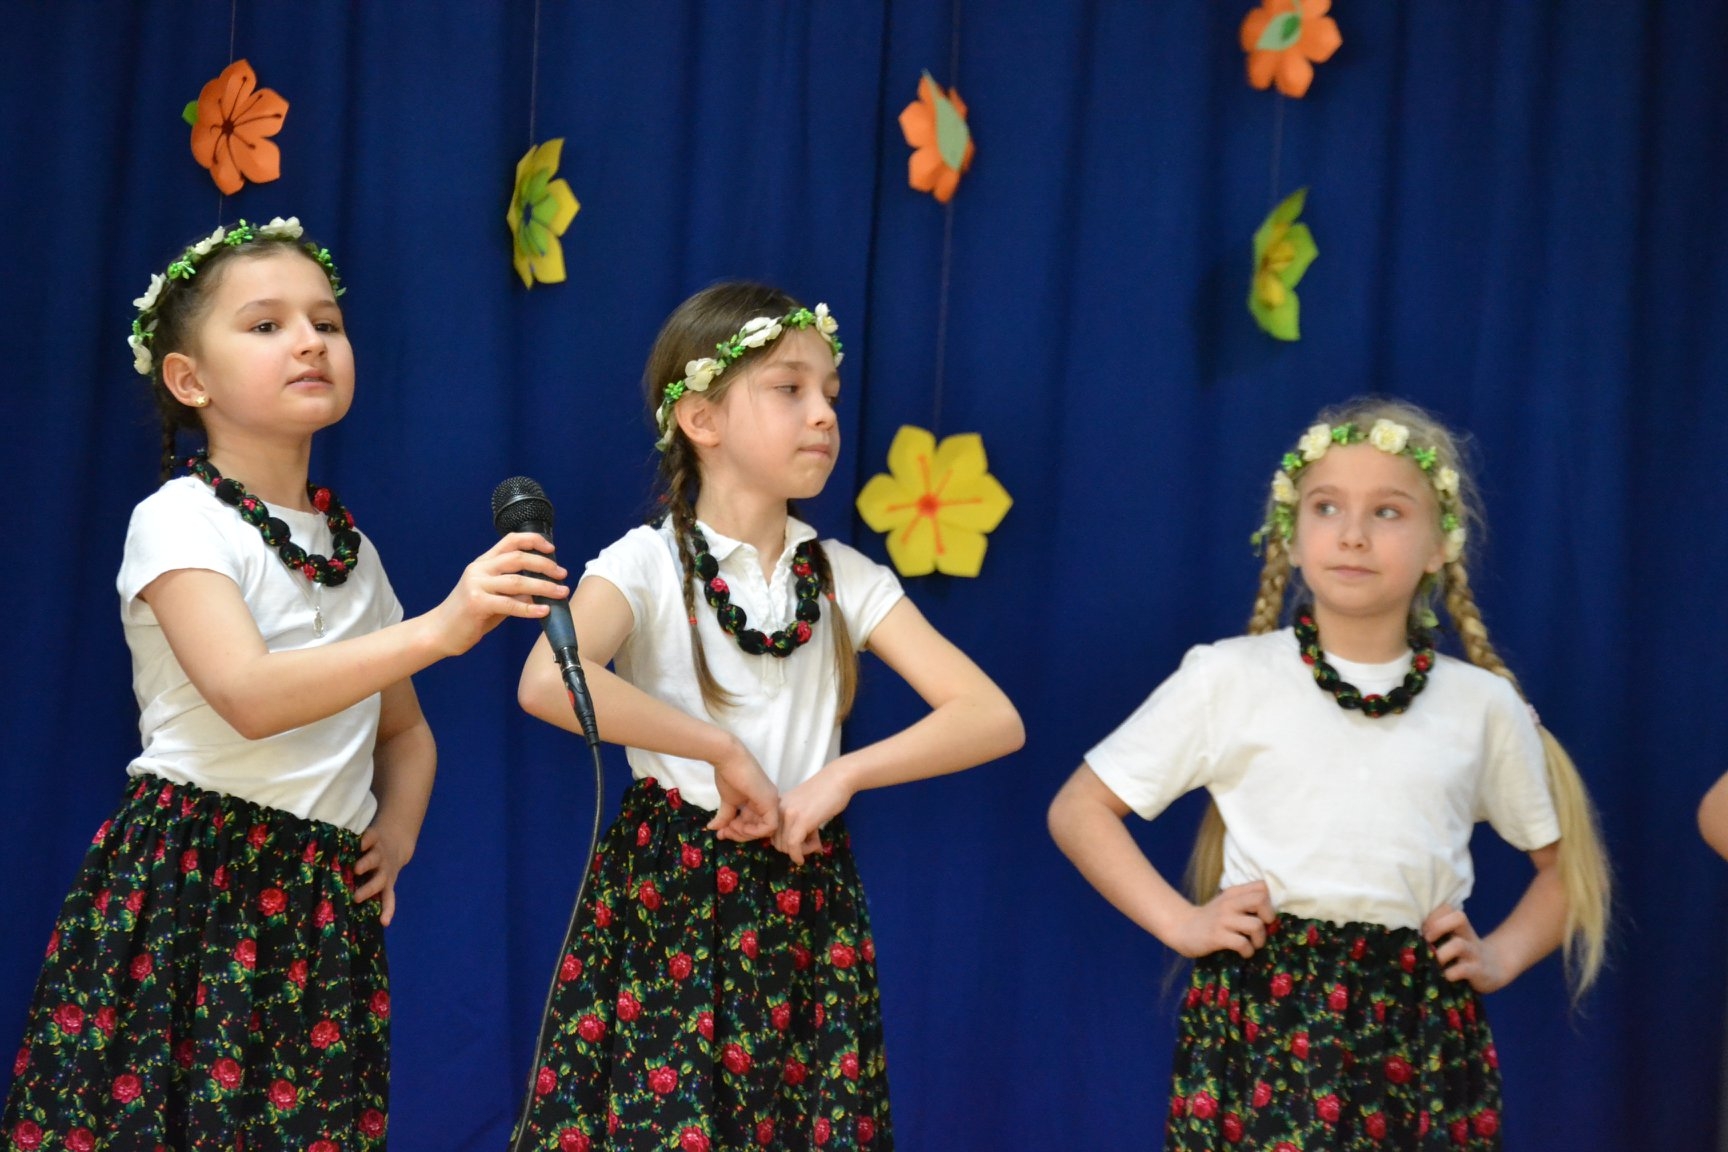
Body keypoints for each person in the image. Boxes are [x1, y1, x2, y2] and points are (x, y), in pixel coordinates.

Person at [3, 218, 565, 1150]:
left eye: (327, 323)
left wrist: (395, 834)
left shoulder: (354, 554)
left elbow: (405, 733)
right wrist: (440, 629)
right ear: (189, 379)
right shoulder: (178, 519)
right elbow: (249, 695)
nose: (309, 341)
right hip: (192, 880)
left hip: (317, 906)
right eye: (266, 325)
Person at [511, 282, 1023, 1151]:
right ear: (701, 419)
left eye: (830, 392)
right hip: (673, 891)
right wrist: (717, 748)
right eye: (789, 388)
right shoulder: (646, 562)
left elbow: (990, 716)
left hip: (802, 886)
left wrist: (842, 775)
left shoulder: (843, 575)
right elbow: (548, 681)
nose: (823, 413)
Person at [1047, 398, 1609, 1150]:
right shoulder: (1228, 677)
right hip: (1263, 1023)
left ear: (1440, 545)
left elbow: (1566, 870)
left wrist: (1500, 955)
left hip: (1419, 1032)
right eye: (1326, 507)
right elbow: (1079, 809)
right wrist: (1182, 923)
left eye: (1388, 512)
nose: (1352, 534)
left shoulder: (1481, 706)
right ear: (1292, 533)